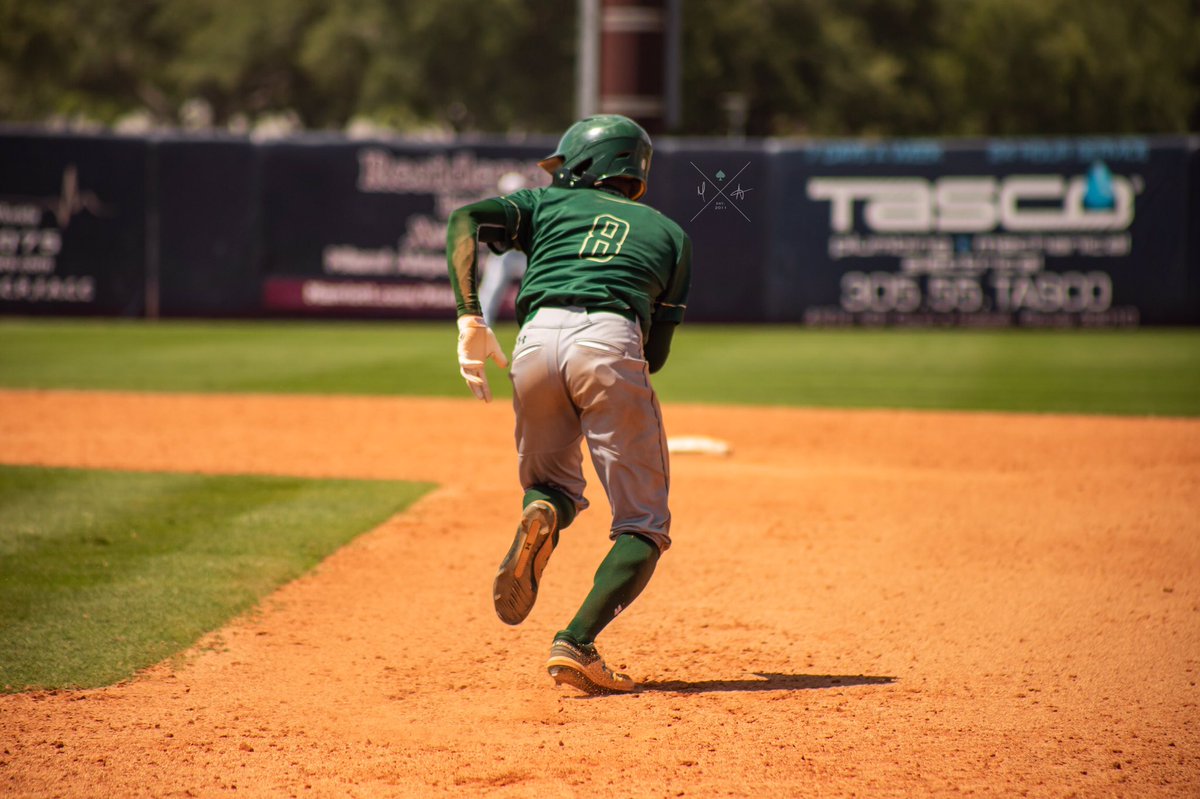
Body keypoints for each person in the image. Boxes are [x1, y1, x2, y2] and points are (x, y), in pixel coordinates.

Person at [446, 114, 692, 695]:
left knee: (553, 486)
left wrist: (468, 314)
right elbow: (654, 356)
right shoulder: (671, 235)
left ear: (583, 167)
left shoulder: (547, 206)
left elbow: (465, 220)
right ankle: (576, 643)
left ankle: (547, 513)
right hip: (610, 339)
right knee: (643, 524)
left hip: (533, 341)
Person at [477, 172, 529, 327]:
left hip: (525, 255)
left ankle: (542, 331)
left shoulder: (531, 206)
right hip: (503, 256)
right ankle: (481, 330)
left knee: (539, 291)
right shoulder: (497, 207)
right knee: (489, 292)